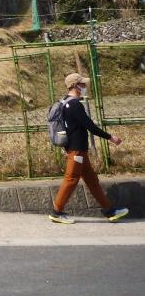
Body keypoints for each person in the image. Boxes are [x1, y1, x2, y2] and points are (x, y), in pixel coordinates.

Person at [49, 73, 128, 224]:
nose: (85, 87)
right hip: (76, 150)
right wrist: (111, 137)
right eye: (82, 84)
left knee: (92, 181)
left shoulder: (65, 101)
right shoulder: (74, 105)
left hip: (77, 150)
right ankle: (56, 212)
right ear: (74, 86)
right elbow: (90, 126)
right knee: (71, 179)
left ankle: (109, 211)